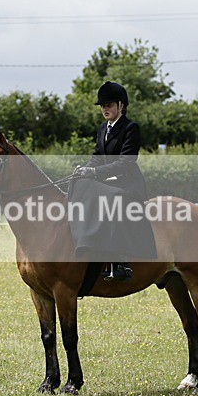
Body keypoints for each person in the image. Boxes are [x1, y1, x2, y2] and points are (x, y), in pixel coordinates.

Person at [71, 81, 152, 281]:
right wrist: (84, 169)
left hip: (127, 183)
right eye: (102, 106)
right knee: (81, 186)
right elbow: (97, 156)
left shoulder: (130, 128)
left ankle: (121, 262)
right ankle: (84, 241)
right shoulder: (102, 129)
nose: (105, 109)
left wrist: (95, 172)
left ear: (121, 106)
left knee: (111, 199)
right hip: (108, 181)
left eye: (109, 105)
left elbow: (126, 162)